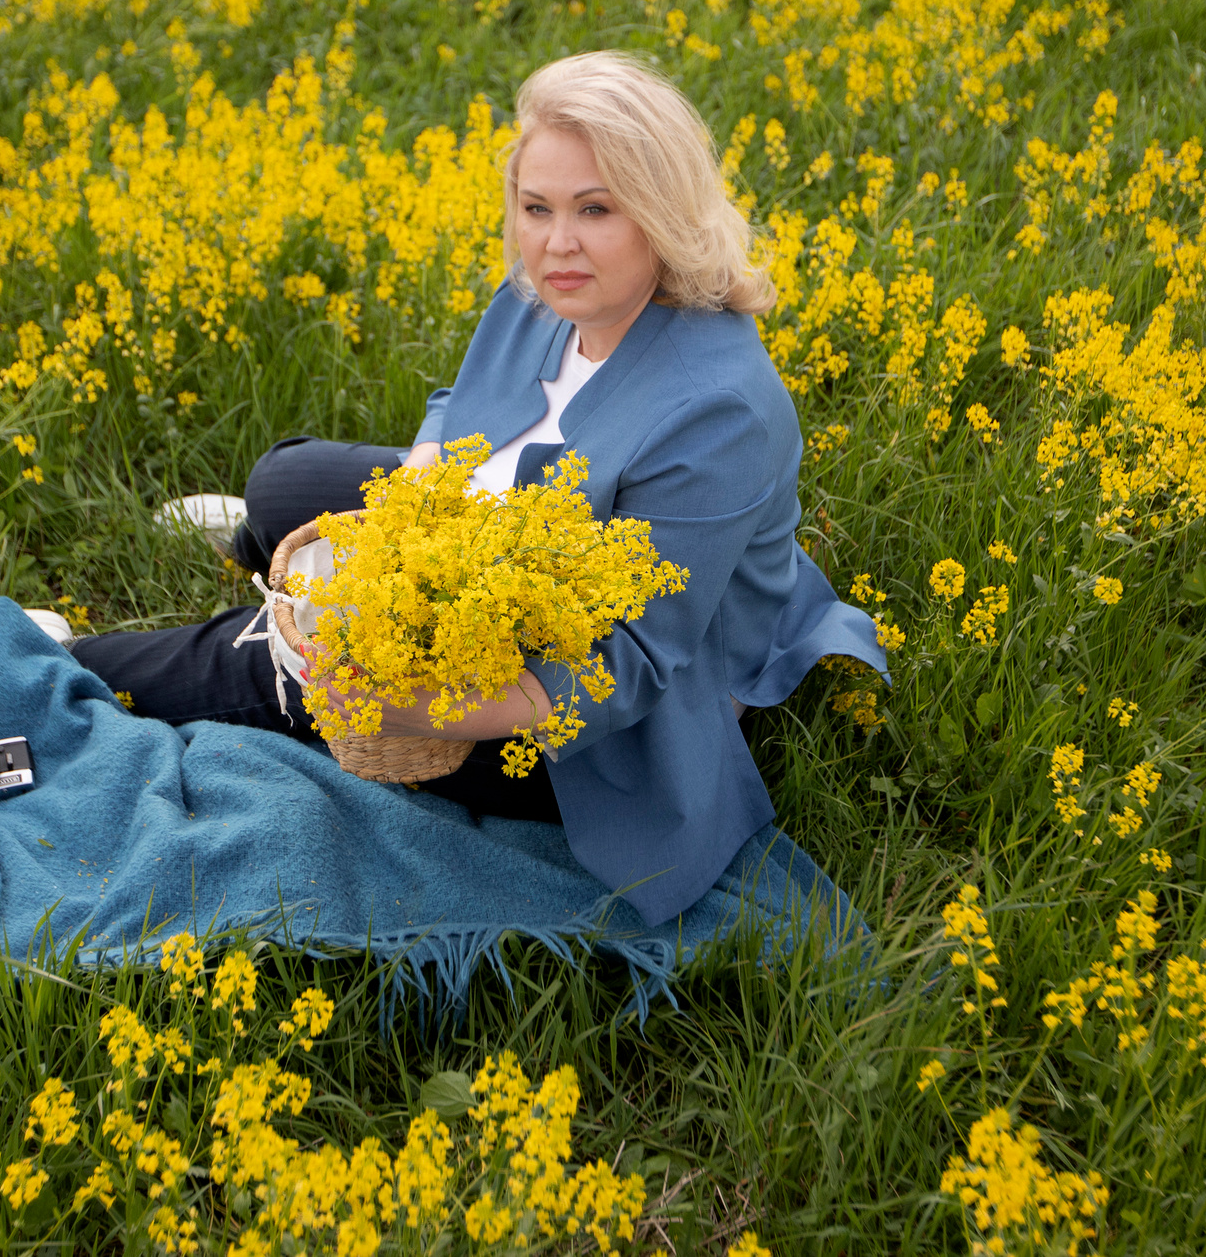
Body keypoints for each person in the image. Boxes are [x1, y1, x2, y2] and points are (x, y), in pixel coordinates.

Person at [64, 51, 886, 926]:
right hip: (489, 532)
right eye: (537, 208)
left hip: (600, 706)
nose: (555, 241)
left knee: (258, 659)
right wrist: (413, 493)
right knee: (285, 482)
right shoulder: (553, 292)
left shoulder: (719, 411)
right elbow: (461, 406)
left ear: (661, 211)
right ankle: (265, 543)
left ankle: (49, 651)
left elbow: (620, 668)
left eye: (595, 209)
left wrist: (399, 703)